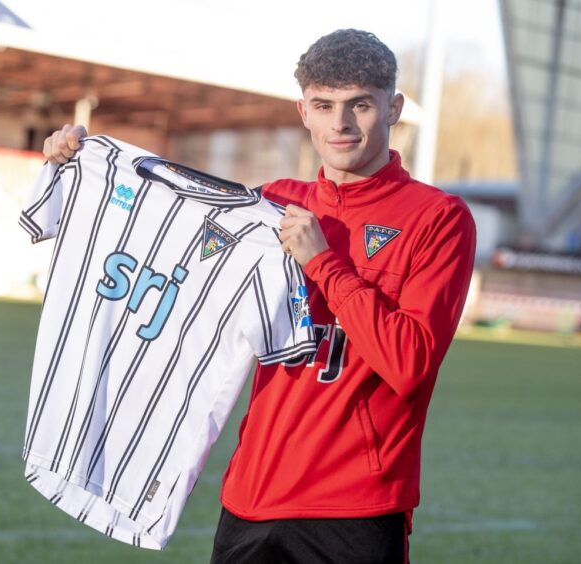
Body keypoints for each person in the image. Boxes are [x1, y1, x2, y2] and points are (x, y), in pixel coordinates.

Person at [43, 28, 476, 564]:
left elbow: (409, 363)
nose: (339, 124)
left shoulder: (439, 218)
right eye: (324, 105)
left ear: (393, 108)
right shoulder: (271, 204)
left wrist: (322, 263)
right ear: (303, 112)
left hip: (356, 508)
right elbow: (168, 243)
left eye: (359, 105)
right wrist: (80, 169)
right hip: (251, 497)